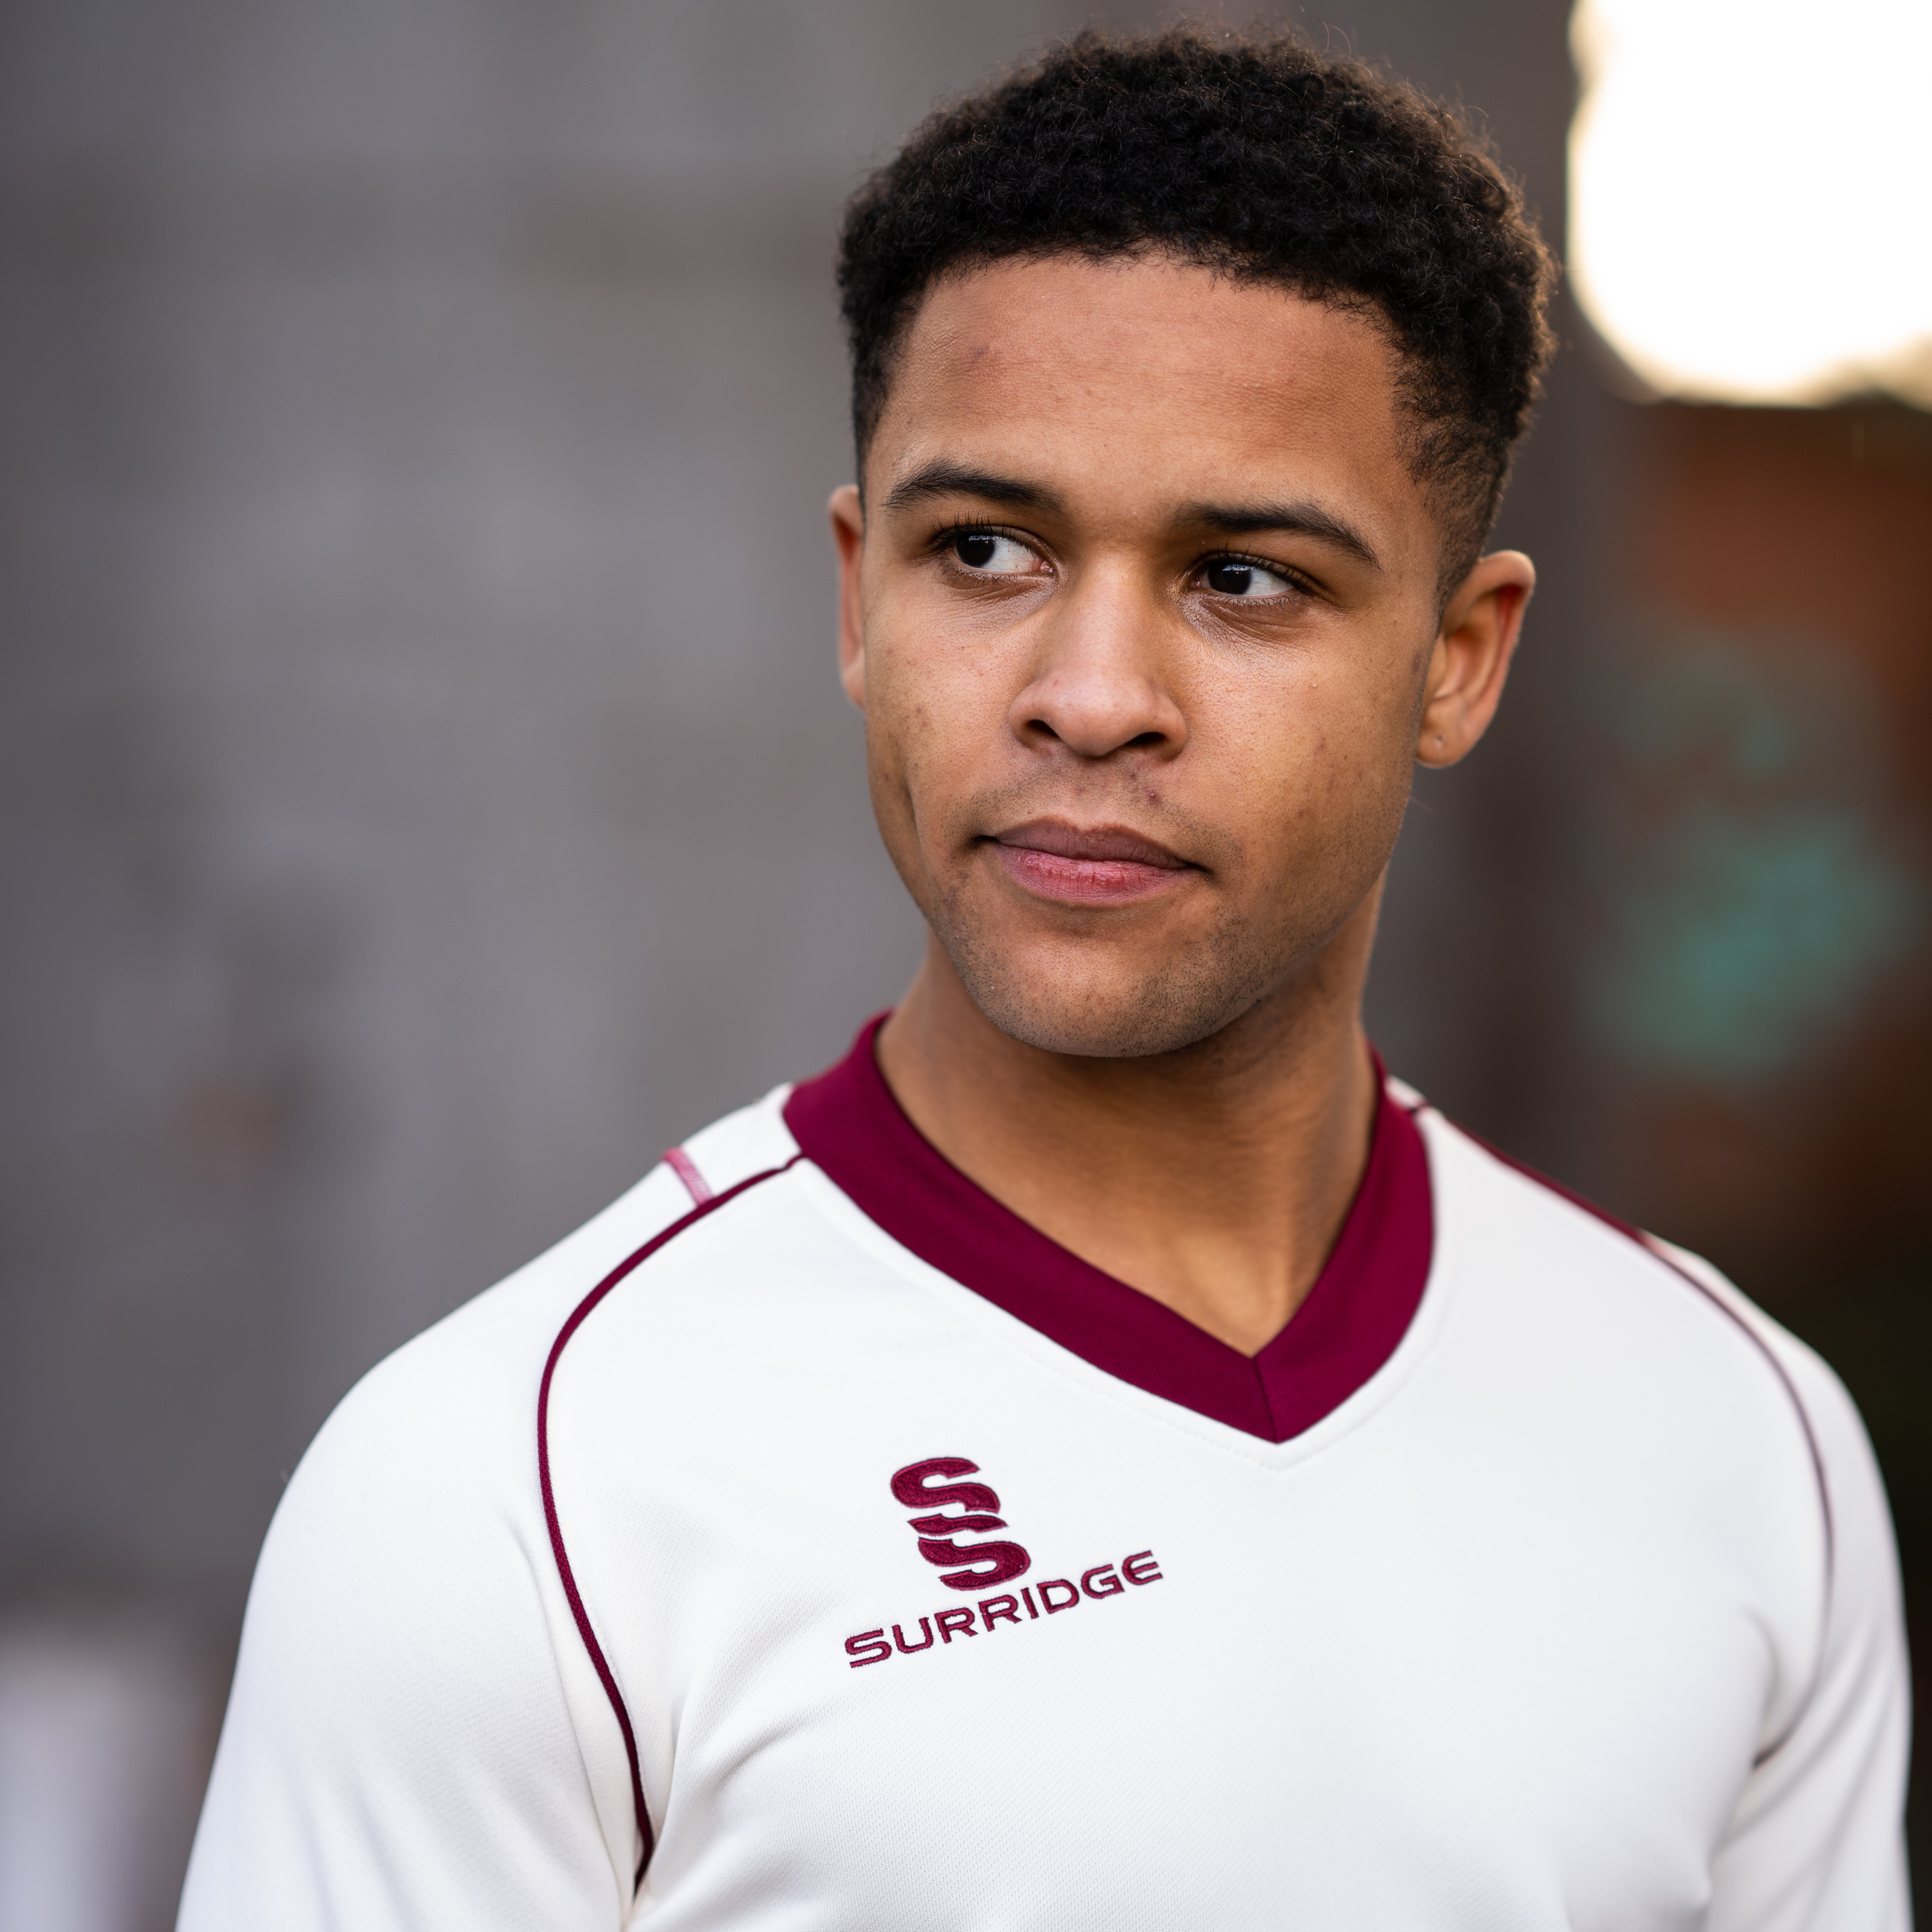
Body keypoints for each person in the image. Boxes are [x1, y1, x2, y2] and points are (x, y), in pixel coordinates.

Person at [177, 24, 1910, 1932]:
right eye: (986, 549)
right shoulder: (511, 1484)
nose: (1089, 699)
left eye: (1243, 576)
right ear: (859, 595)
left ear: (1458, 657)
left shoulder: (1741, 1434)